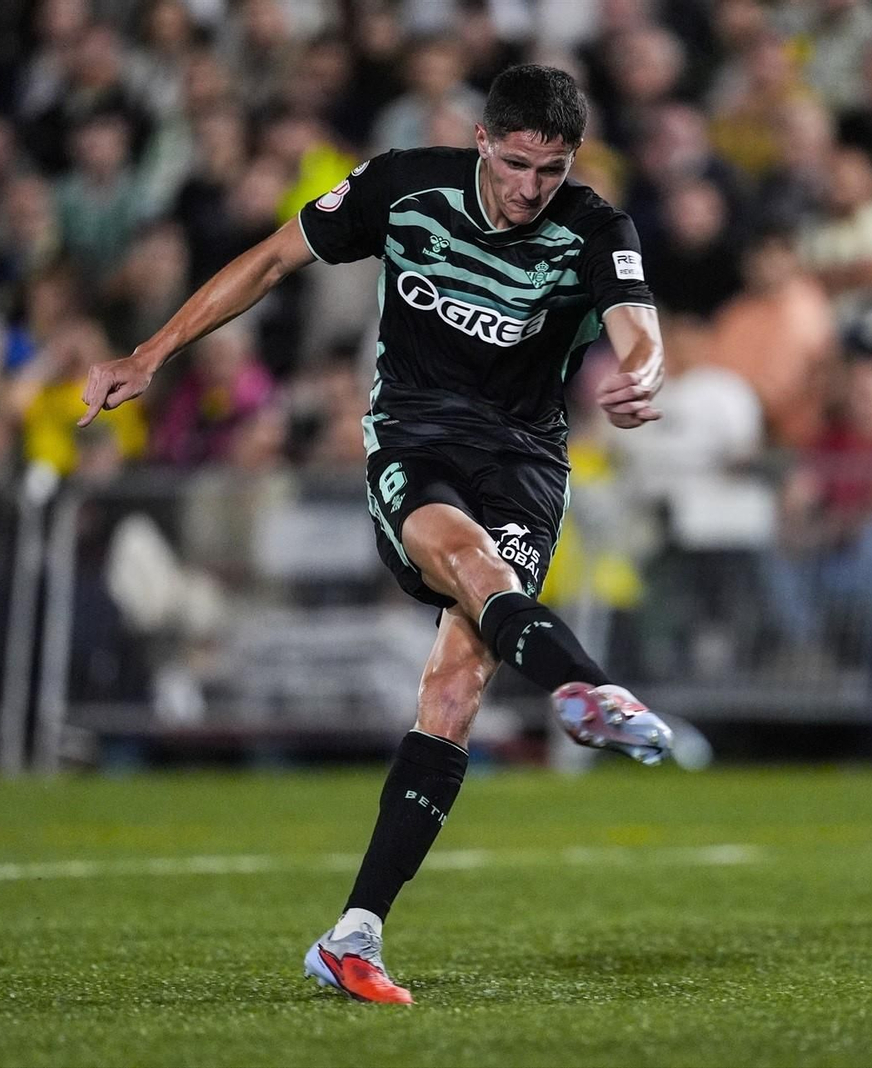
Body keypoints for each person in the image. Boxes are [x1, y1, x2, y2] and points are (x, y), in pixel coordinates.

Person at [75, 65, 674, 1005]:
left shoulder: (596, 226)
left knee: (457, 685)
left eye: (550, 171)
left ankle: (353, 936)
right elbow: (275, 258)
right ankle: (584, 686)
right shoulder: (403, 186)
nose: (529, 190)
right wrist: (150, 353)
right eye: (516, 164)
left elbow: (637, 325)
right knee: (472, 565)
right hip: (415, 436)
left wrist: (645, 374)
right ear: (483, 140)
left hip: (525, 462)